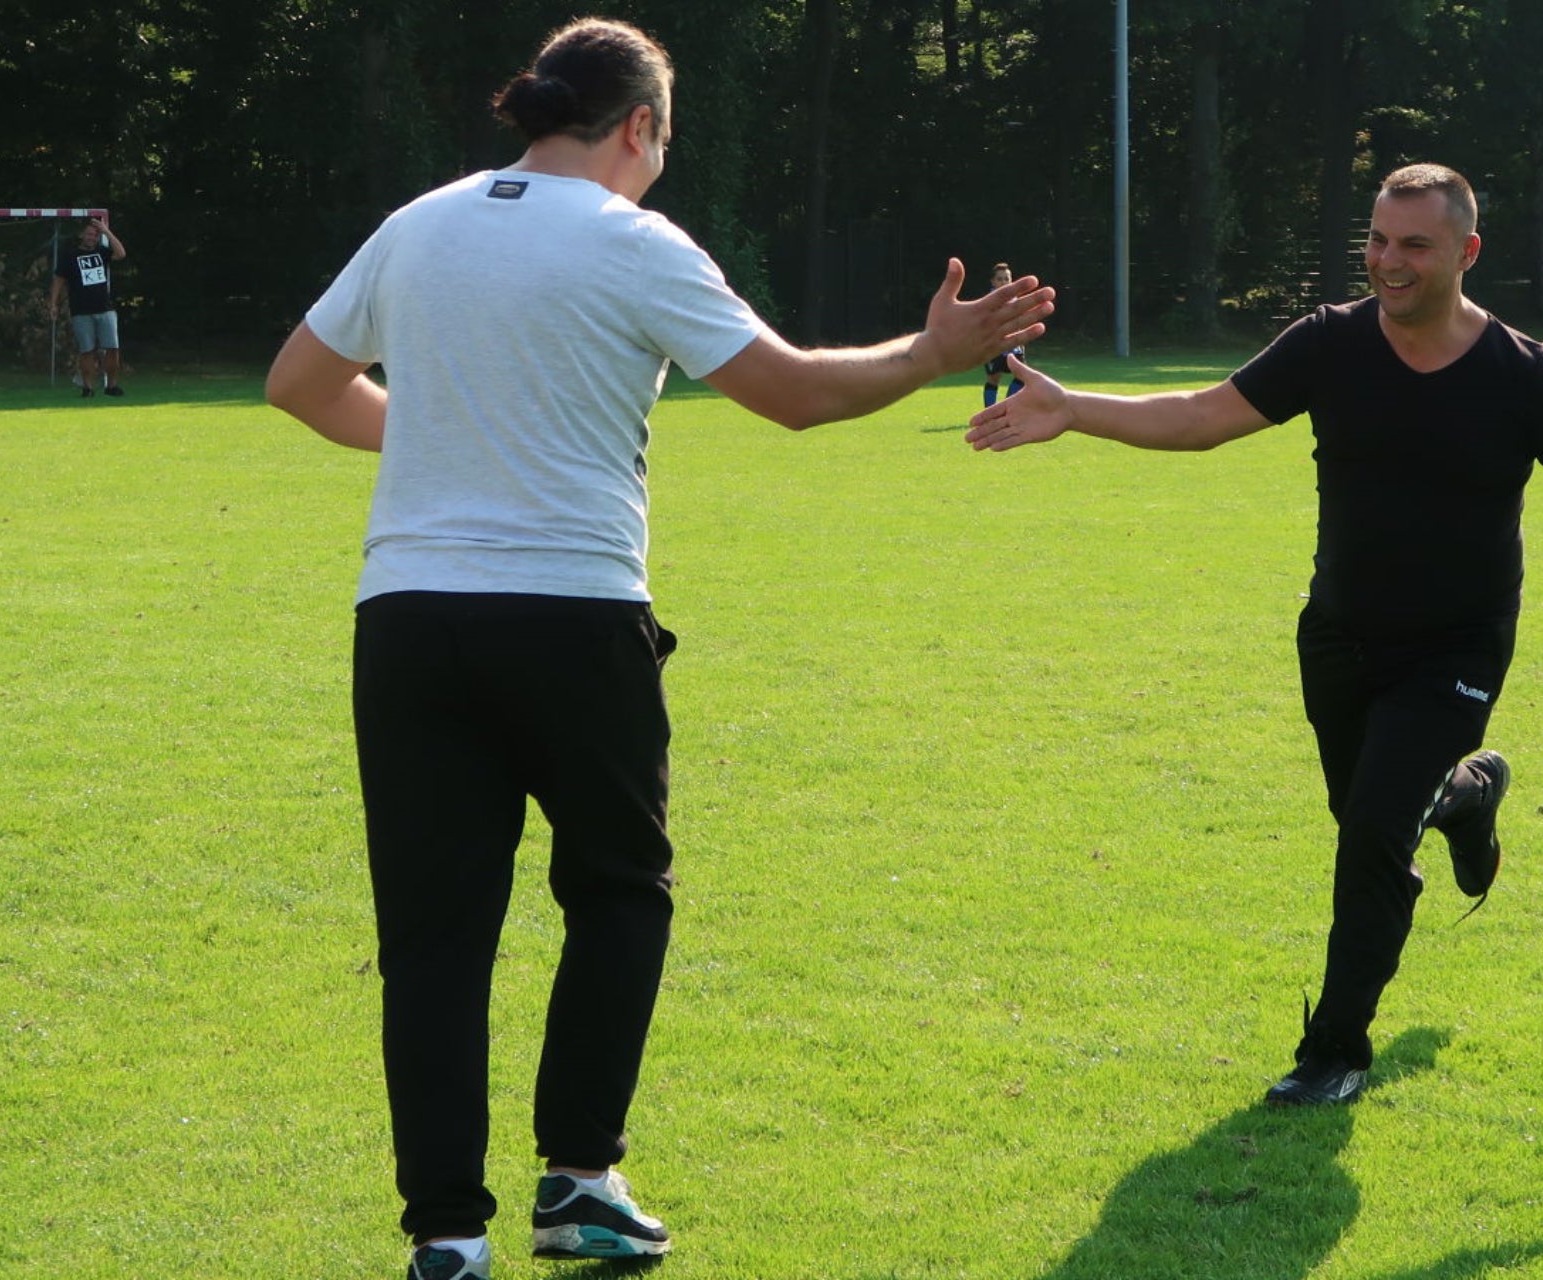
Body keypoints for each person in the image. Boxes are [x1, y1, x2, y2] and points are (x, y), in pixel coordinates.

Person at [264, 17, 1052, 1280]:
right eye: (665, 142)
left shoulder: (418, 225)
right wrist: (930, 354)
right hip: (572, 615)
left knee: (434, 937)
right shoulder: (631, 238)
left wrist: (455, 431)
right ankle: (580, 1178)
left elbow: (300, 383)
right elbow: (794, 392)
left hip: (407, 619)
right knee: (619, 893)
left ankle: (447, 1237)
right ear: (639, 126)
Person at [967, 163, 1543, 1108]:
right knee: (1370, 818)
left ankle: (1335, 1050)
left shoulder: (1522, 374)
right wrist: (1076, 409)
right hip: (1338, 639)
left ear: (1467, 252)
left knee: (1370, 837)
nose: (1387, 262)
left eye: (1414, 246)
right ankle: (1465, 796)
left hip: (1457, 649)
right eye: (1377, 240)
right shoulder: (1329, 342)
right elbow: (1204, 416)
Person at [48, 216, 128, 397]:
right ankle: (88, 387)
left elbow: (121, 253)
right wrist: (53, 304)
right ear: (81, 235)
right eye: (89, 234)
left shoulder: (102, 252)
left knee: (112, 348)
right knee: (87, 350)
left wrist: (106, 231)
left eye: (95, 235)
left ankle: (112, 386)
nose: (92, 238)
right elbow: (58, 280)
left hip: (105, 308)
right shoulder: (70, 256)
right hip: (81, 311)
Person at [983, 262, 1029, 407]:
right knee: (994, 379)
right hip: (995, 347)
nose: (1004, 282)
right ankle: (990, 413)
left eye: (1006, 279)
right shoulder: (988, 301)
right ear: (993, 281)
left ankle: (1005, 407)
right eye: (1000, 279)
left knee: (1022, 376)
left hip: (1014, 346)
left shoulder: (1015, 300)